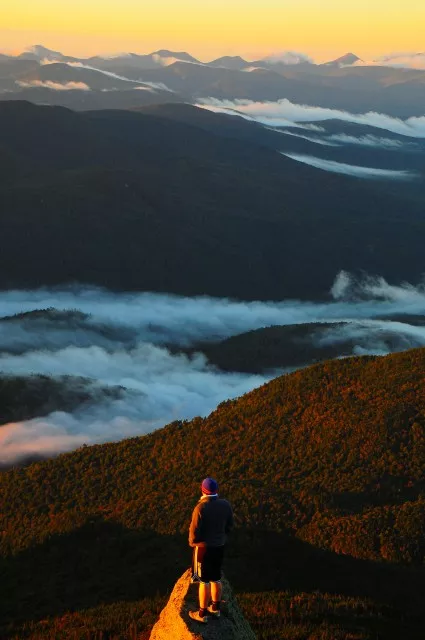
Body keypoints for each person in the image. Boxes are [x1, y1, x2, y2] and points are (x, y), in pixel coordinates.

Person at [188, 477, 234, 624]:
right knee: (216, 577)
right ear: (216, 490)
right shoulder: (225, 505)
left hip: (203, 549)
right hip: (219, 546)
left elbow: (193, 534)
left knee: (204, 581)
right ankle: (216, 607)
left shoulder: (200, 508)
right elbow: (229, 526)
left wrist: (194, 543)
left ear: (202, 490)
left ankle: (201, 613)